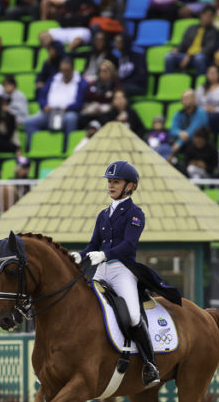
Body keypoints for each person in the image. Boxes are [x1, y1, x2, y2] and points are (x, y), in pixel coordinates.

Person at [70, 161, 181, 388]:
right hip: (100, 270)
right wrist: (79, 256)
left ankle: (150, 364)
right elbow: (93, 244)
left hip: (122, 270)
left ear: (129, 186)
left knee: (131, 315)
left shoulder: (135, 214)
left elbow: (129, 245)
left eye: (116, 182)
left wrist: (105, 254)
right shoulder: (103, 215)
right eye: (109, 181)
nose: (111, 185)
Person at [23, 58, 86, 140]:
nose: (65, 73)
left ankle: (67, 148)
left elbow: (80, 102)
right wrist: (44, 105)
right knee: (28, 122)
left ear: (72, 70)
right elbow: (42, 95)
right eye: (62, 70)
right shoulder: (54, 78)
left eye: (67, 70)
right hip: (49, 112)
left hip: (67, 112)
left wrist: (68, 108)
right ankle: (39, 143)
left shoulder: (80, 81)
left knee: (71, 119)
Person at [164, 5, 219, 75]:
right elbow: (183, 44)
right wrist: (177, 49)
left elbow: (208, 49)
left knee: (199, 58)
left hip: (203, 57)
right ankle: (170, 80)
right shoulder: (191, 28)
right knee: (169, 56)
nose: (208, 18)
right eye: (206, 15)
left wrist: (189, 56)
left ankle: (201, 82)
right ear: (201, 15)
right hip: (186, 56)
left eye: (211, 16)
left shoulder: (214, 32)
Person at [170, 89, 210, 154]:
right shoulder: (179, 113)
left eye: (188, 98)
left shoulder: (201, 112)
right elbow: (173, 129)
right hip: (183, 140)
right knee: (170, 140)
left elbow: (192, 131)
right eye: (183, 98)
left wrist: (179, 143)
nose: (185, 100)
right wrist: (180, 133)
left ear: (194, 99)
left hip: (198, 141)